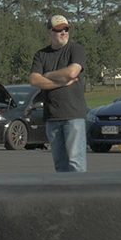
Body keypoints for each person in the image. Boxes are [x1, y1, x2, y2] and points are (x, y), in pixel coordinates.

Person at [29, 15, 88, 173]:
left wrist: (47, 75)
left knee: (76, 163)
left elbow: (72, 71)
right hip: (52, 117)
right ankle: (64, 197)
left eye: (66, 29)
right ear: (50, 32)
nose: (63, 32)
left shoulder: (76, 49)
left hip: (73, 115)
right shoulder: (41, 55)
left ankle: (79, 196)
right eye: (58, 29)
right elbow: (34, 79)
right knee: (60, 165)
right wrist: (61, 81)